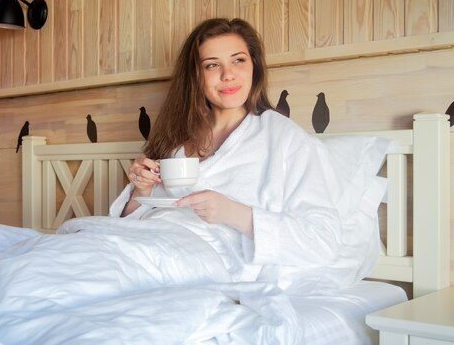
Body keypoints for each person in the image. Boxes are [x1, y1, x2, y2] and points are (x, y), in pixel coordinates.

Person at [109, 18, 378, 288]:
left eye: (238, 60)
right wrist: (140, 191)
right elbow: (134, 220)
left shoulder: (282, 137)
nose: (227, 74)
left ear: (254, 67)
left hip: (202, 263)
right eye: (212, 65)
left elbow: (323, 240)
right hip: (144, 243)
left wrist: (235, 213)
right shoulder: (177, 140)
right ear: (196, 76)